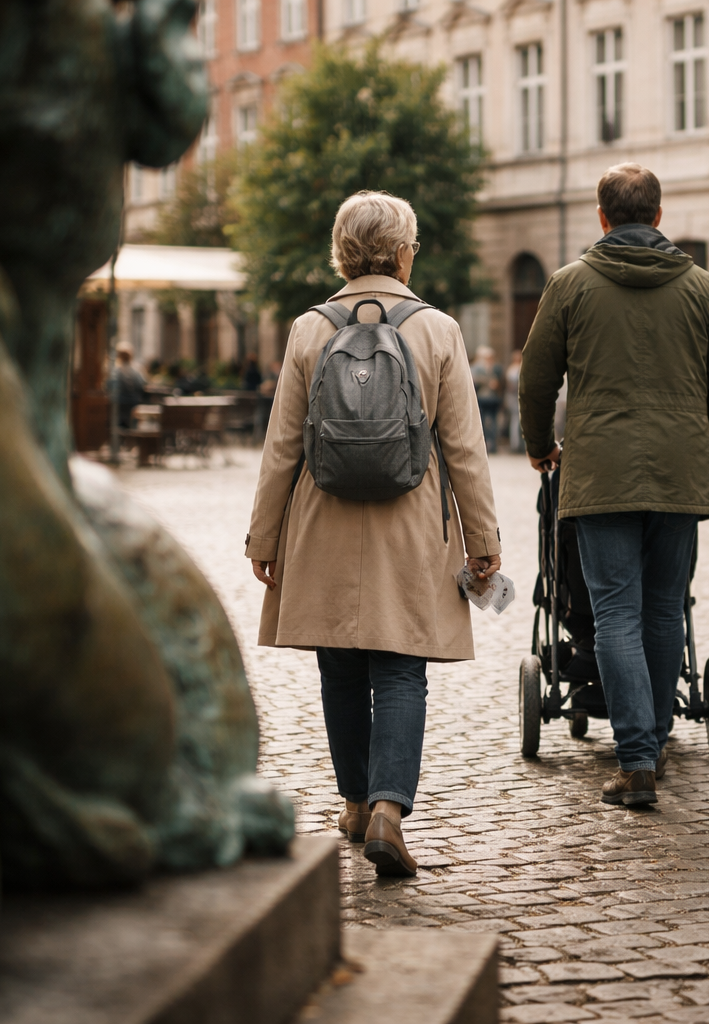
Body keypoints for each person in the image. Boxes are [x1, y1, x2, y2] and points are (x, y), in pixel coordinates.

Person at [245, 191, 501, 876]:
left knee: (339, 664)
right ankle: (390, 809)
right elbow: (465, 449)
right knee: (400, 667)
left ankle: (355, 804)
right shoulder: (437, 330)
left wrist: (263, 538)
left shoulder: (308, 329)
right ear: (404, 253)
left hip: (322, 519)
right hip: (410, 522)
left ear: (342, 252)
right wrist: (483, 538)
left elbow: (281, 447)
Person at [520, 162, 709, 807]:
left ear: (602, 217)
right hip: (678, 470)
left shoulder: (569, 285)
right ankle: (658, 738)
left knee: (614, 611)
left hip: (602, 472)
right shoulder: (701, 286)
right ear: (659, 216)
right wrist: (698, 440)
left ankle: (637, 758)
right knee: (664, 607)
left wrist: (541, 448)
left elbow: (536, 381)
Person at [471, 346, 504, 452]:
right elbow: (474, 381)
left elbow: (502, 381)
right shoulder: (477, 368)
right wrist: (487, 382)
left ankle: (493, 444)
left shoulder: (496, 367)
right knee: (482, 421)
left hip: (493, 398)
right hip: (482, 398)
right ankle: (484, 444)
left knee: (494, 422)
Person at [108, 344, 146, 429]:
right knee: (132, 423)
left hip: (120, 403)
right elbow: (141, 385)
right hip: (133, 403)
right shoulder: (136, 370)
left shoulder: (116, 371)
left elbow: (110, 385)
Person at [505, 349, 524, 454]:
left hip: (519, 399)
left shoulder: (518, 368)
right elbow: (511, 387)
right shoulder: (512, 370)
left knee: (520, 422)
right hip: (514, 399)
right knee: (515, 421)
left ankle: (521, 444)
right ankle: (515, 444)